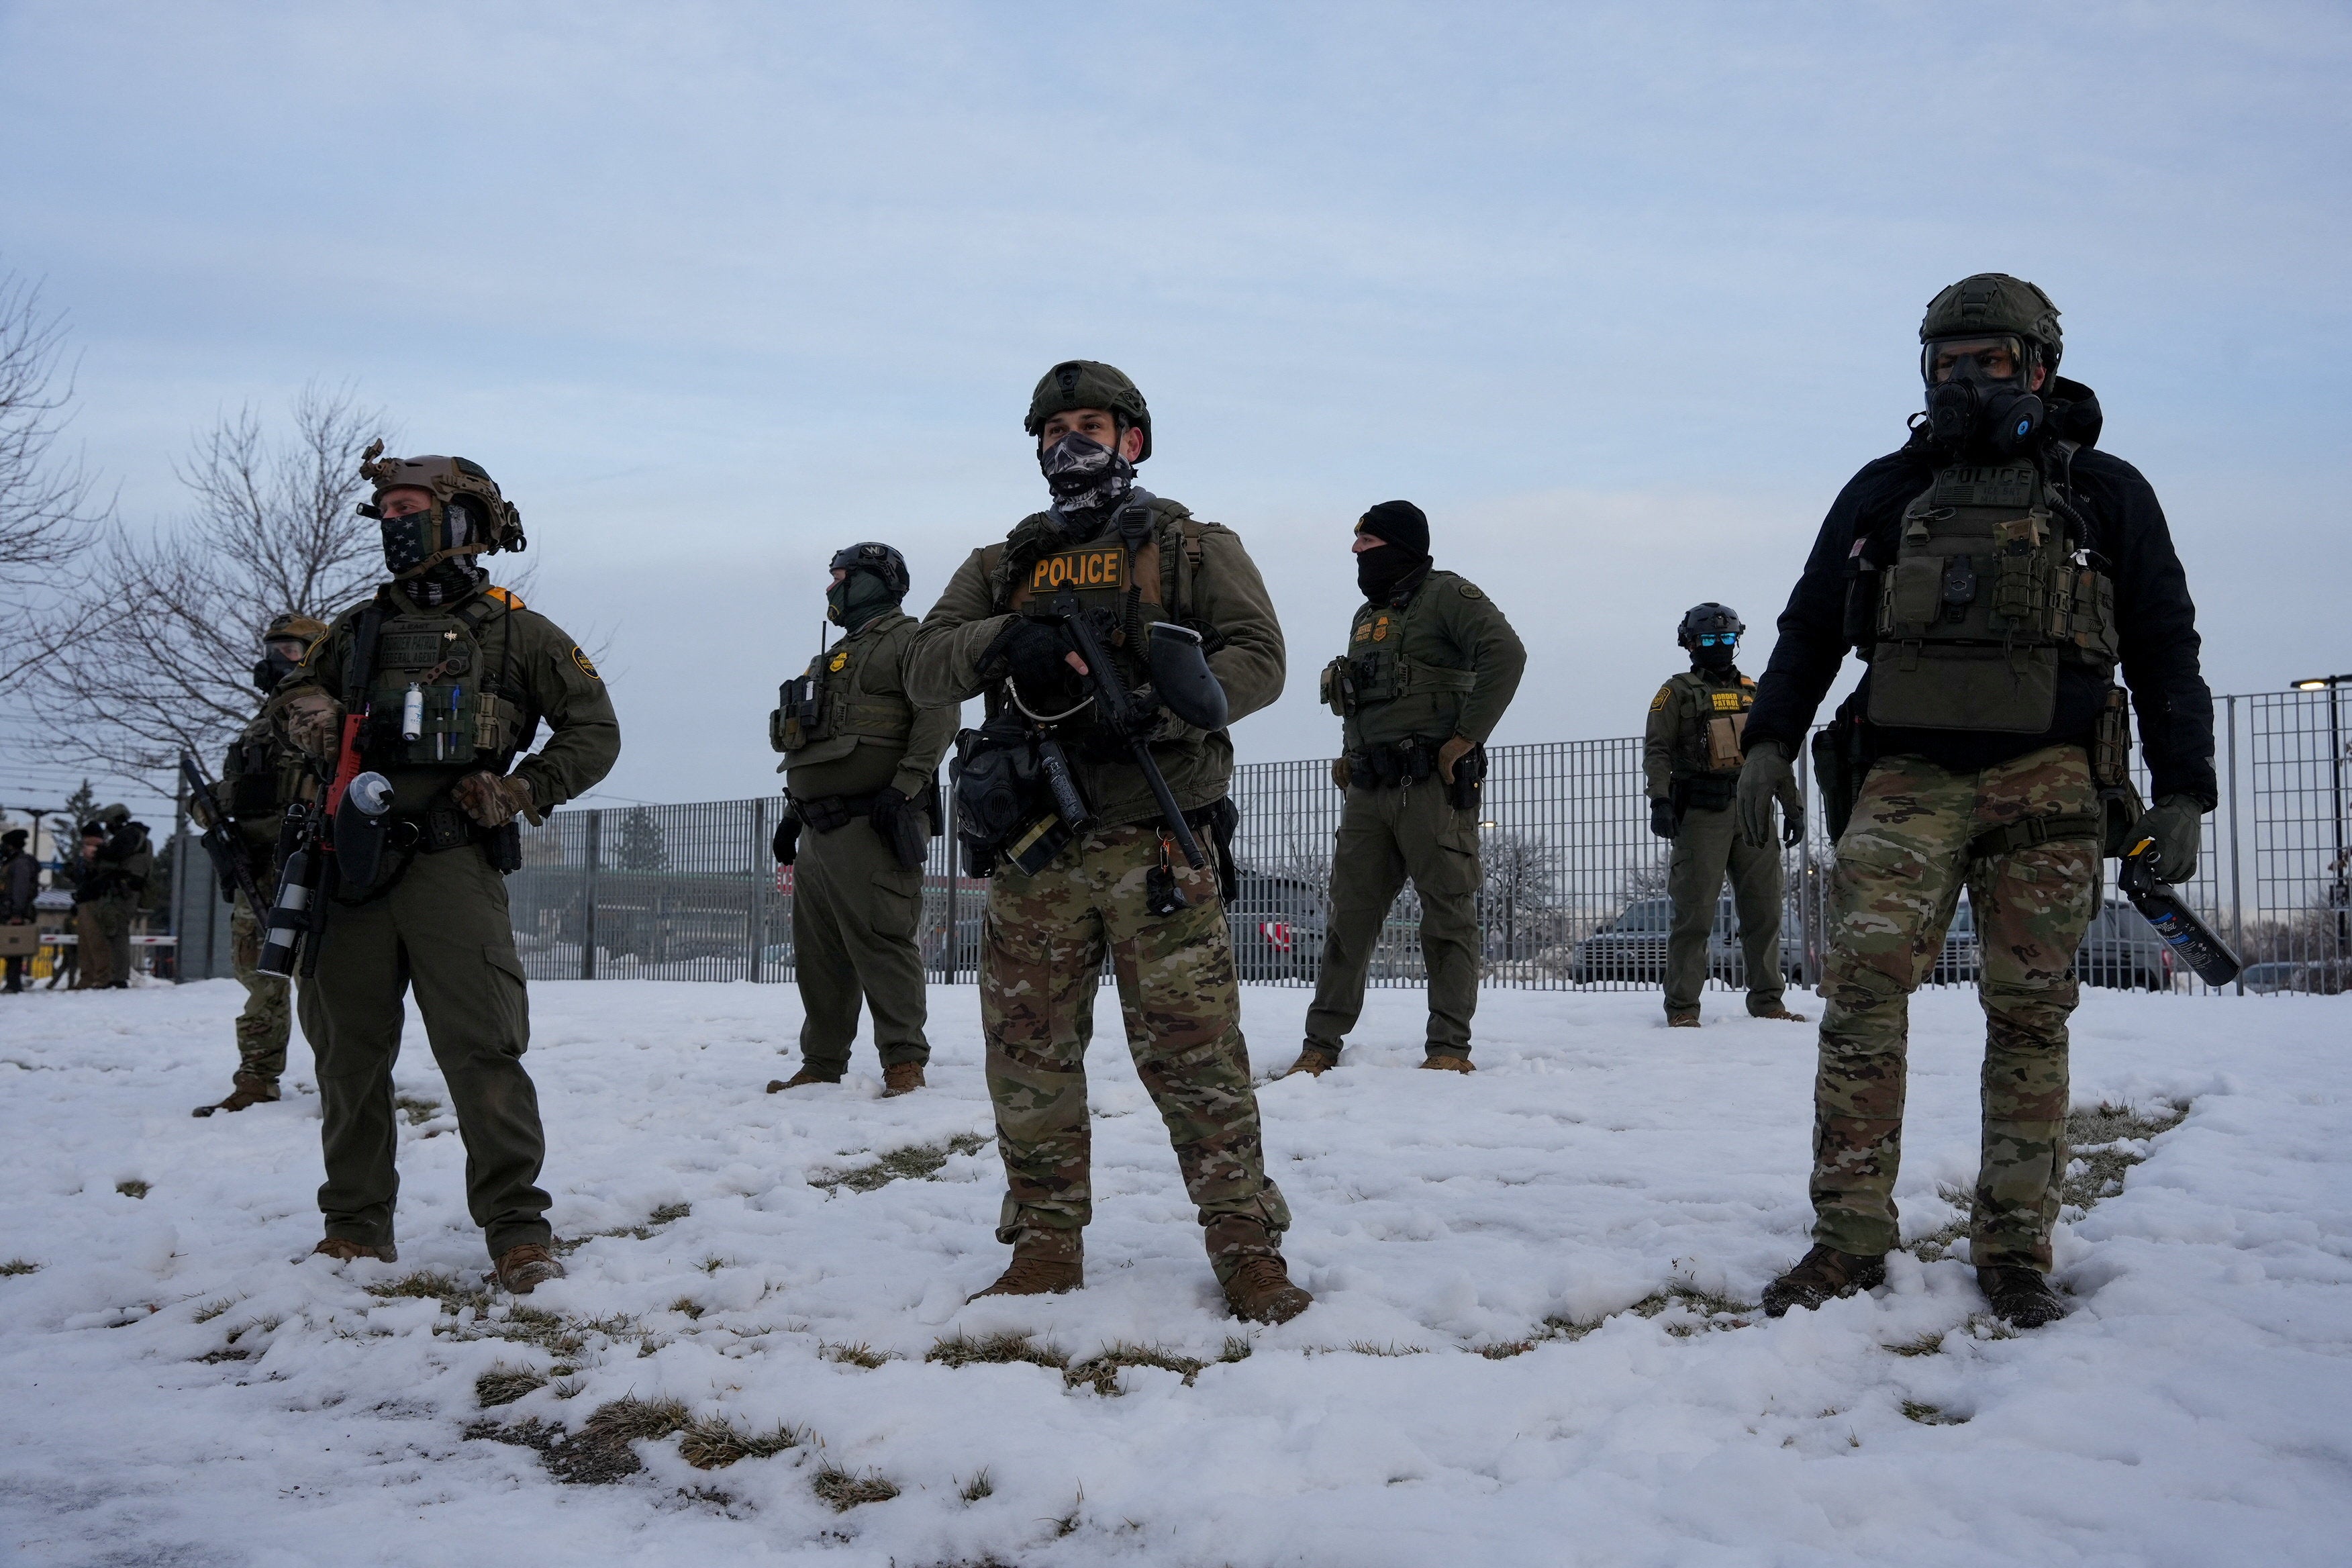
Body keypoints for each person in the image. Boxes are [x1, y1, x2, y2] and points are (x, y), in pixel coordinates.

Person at [1738, 274, 2214, 1328]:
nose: (1963, 379)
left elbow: (2164, 642)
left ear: (2038, 368)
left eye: (1988, 360)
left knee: (2031, 1012)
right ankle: (1849, 1238)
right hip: (1906, 773)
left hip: (2050, 773)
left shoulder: (2106, 492)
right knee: (1861, 994)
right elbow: (1811, 623)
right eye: (1944, 361)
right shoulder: (1886, 490)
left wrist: (2186, 788)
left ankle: (2014, 1252)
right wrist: (1770, 737)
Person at [905, 359, 1310, 1324]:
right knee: (1030, 1054)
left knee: (1197, 1057)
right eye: (1054, 429)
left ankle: (1247, 1249)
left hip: (1156, 840)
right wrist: (1004, 643)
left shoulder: (1191, 546)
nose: (1070, 442)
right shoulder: (1003, 563)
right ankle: (1045, 1245)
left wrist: (1176, 700)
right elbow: (921, 663)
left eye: (1090, 424)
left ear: (1134, 439)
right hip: (1037, 847)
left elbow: (1260, 655)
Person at [276, 444, 620, 1293]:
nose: (393, 525)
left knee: (484, 1048)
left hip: (451, 862)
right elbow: (291, 700)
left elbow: (594, 730)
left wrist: (522, 789)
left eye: (408, 509)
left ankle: (518, 1232)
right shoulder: (356, 629)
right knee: (346, 1055)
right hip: (349, 866)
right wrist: (308, 714)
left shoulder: (517, 630)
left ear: (461, 518)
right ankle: (354, 1226)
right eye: (386, 513)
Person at [1283, 501, 1525, 1077]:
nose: (1356, 552)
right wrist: (1351, 753)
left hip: (1431, 788)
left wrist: (1465, 737)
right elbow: (1362, 694)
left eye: (1367, 543)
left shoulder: (1448, 596)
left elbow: (1506, 654)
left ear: (1399, 546)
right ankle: (1320, 1046)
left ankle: (1449, 1049)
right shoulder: (1367, 616)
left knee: (1447, 918)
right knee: (1348, 921)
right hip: (1370, 790)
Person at [765, 542, 956, 1097]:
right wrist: (793, 815)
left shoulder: (912, 642)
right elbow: (818, 741)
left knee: (882, 943)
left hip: (874, 823)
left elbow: (939, 716)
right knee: (819, 955)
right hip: (819, 831)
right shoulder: (835, 656)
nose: (831, 588)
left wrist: (903, 789)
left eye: (840, 576)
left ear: (874, 580)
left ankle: (904, 1063)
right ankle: (822, 1063)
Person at [1643, 603, 1804, 1028]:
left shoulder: (1756, 691)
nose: (1720, 645)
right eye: (1710, 639)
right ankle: (1683, 1007)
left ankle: (1768, 1002)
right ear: (1690, 643)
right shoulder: (1675, 692)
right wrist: (1660, 801)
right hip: (1700, 813)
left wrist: (1792, 805)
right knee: (1694, 914)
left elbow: (1772, 753)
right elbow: (1658, 751)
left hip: (1754, 812)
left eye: (1727, 637)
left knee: (1765, 911)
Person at [194, 613, 328, 1117]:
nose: (277, 659)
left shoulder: (328, 715)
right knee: (258, 979)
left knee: (321, 984)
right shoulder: (258, 725)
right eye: (273, 649)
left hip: (309, 867)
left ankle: (346, 1083)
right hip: (254, 866)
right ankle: (255, 1080)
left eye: (290, 650)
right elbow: (230, 795)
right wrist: (207, 806)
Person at [1, 827, 36, 993]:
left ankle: (13, 983)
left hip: (13, 912)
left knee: (14, 947)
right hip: (8, 910)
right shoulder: (11, 862)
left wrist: (17, 912)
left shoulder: (20, 863)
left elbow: (20, 889)